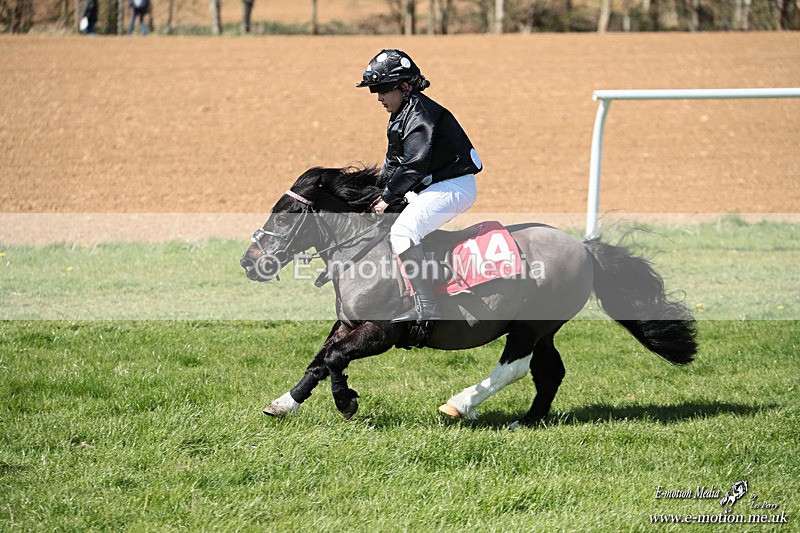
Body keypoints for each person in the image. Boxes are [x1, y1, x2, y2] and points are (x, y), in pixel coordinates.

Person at [357, 49, 483, 323]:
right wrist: (379, 193)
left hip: (454, 186)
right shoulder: (402, 113)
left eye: (382, 89)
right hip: (432, 185)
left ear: (405, 86)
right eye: (373, 91)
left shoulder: (422, 115)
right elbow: (393, 162)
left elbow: (414, 165)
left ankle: (428, 308)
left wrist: (387, 198)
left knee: (403, 231)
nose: (378, 97)